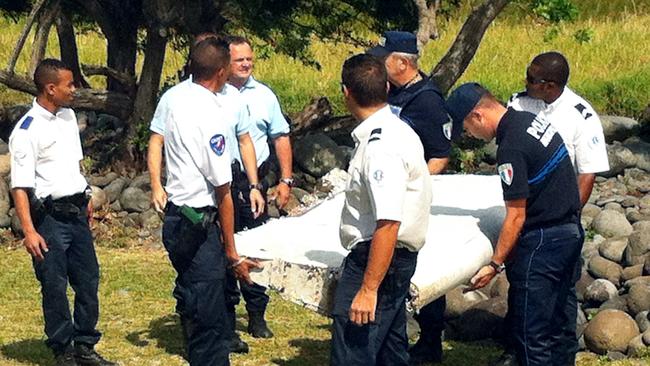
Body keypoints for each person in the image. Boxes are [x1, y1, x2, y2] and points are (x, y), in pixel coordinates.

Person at [446, 82, 584, 366]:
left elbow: (516, 215)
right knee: (560, 323)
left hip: (543, 242)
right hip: (570, 230)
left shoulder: (510, 147)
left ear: (478, 116)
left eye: (468, 129)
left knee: (531, 332)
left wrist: (494, 264)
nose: (471, 136)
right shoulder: (531, 120)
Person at [148, 33, 263, 355]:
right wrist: (232, 251)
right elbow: (222, 190)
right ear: (221, 71)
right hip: (198, 220)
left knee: (199, 304)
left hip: (178, 216)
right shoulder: (209, 114)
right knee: (208, 319)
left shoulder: (178, 100)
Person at [495, 51, 609, 366]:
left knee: (560, 300)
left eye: (531, 79)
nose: (525, 82)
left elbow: (587, 173)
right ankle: (515, 351)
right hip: (522, 214)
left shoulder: (580, 115)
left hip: (557, 219)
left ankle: (560, 358)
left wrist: (565, 212)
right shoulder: (518, 103)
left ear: (550, 85)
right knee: (522, 290)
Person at [9, 59, 116, 366]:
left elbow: (72, 165)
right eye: (69, 84)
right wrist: (29, 231)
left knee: (88, 280)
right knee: (54, 285)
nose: (74, 89)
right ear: (50, 88)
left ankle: (85, 344)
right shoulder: (27, 130)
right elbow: (20, 187)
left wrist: (86, 198)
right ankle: (62, 349)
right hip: (49, 219)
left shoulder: (68, 117)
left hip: (76, 213)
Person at [330, 54, 432, 366]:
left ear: (346, 93)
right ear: (387, 87)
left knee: (353, 349)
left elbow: (388, 222)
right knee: (390, 348)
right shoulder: (398, 130)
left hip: (377, 258)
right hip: (393, 258)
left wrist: (368, 288)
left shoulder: (380, 147)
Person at [368, 30, 461, 365]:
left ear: (403, 63)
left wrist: (413, 185)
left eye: (383, 59)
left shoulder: (427, 100)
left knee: (421, 269)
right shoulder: (392, 94)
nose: (378, 65)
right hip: (388, 192)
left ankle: (430, 339)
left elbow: (440, 154)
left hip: (413, 199)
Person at [221, 35, 294, 345]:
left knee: (257, 250)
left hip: (256, 185)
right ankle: (224, 316)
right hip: (223, 185)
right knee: (225, 251)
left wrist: (286, 180)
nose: (247, 64)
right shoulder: (213, 95)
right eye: (240, 60)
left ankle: (257, 314)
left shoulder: (264, 95)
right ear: (225, 62)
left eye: (250, 59)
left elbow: (280, 137)